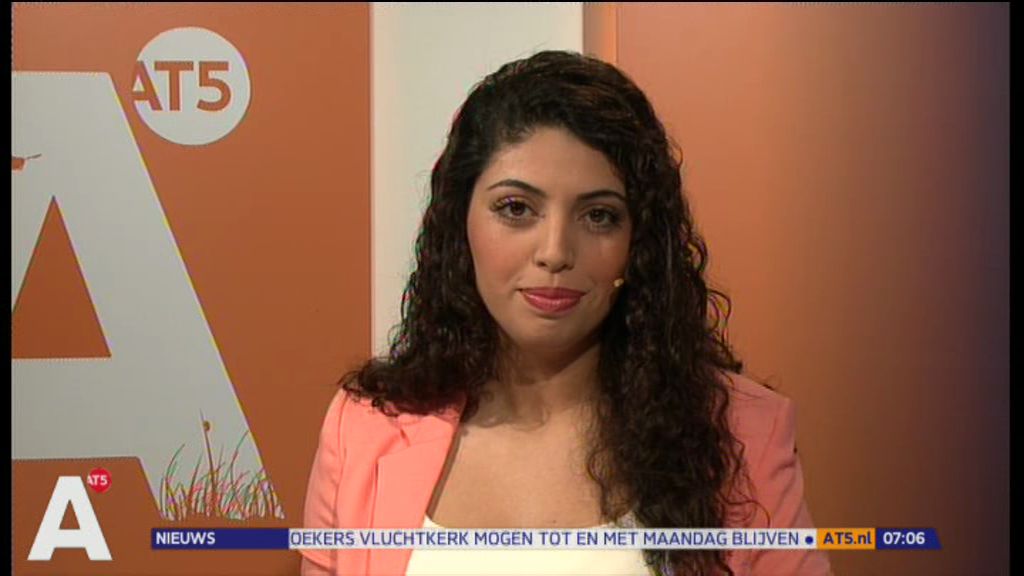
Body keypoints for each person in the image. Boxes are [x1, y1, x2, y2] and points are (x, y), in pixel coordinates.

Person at [301, 50, 832, 576]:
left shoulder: (739, 433)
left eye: (598, 216)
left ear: (639, 243)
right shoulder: (364, 428)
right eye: (516, 208)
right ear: (459, 222)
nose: (555, 251)